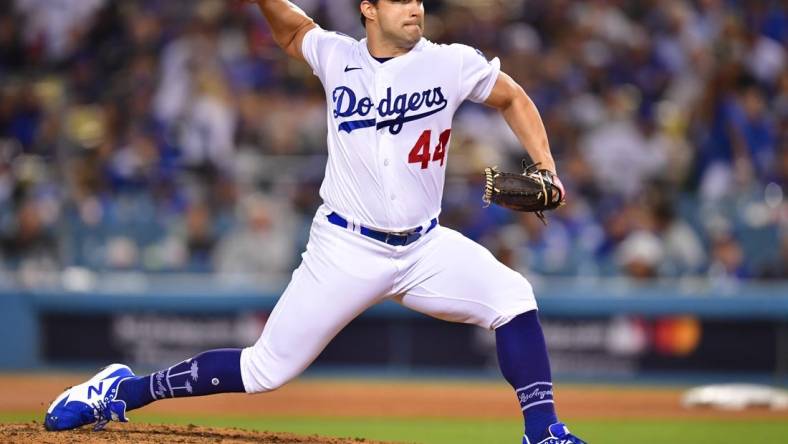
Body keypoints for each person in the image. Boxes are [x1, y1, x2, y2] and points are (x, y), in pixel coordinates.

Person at [44, 2, 586, 443]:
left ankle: (543, 432)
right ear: (368, 9)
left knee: (514, 297)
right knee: (264, 372)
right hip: (346, 248)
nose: (415, 8)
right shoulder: (335, 54)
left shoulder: (450, 61)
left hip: (424, 248)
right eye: (400, 0)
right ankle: (122, 390)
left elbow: (512, 96)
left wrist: (546, 168)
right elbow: (289, 28)